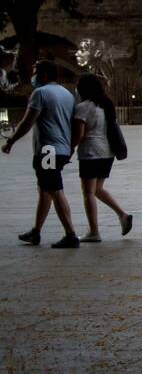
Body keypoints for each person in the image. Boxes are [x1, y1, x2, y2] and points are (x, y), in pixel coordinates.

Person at [3, 59, 79, 248]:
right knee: (45, 190)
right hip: (61, 148)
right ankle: (36, 232)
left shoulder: (40, 93)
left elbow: (27, 122)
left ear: (44, 75)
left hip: (47, 150)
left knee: (54, 190)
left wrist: (10, 141)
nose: (33, 75)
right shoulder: (66, 94)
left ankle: (71, 234)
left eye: (35, 72)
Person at [71, 74, 131, 243]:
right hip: (107, 153)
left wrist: (69, 150)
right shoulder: (106, 105)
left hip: (91, 153)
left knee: (88, 192)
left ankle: (94, 231)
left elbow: (79, 135)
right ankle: (123, 215)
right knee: (97, 189)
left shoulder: (83, 107)